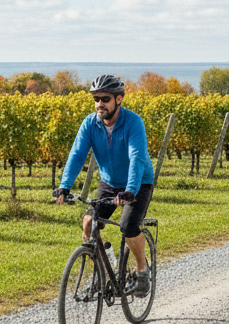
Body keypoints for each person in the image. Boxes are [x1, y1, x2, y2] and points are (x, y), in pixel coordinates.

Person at [52, 74, 155, 297]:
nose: (100, 103)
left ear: (118, 99)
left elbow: (136, 157)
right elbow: (77, 154)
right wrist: (64, 186)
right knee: (89, 222)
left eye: (105, 99)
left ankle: (142, 270)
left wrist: (131, 191)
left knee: (128, 227)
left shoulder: (133, 122)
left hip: (138, 182)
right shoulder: (90, 124)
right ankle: (103, 271)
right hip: (109, 182)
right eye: (96, 99)